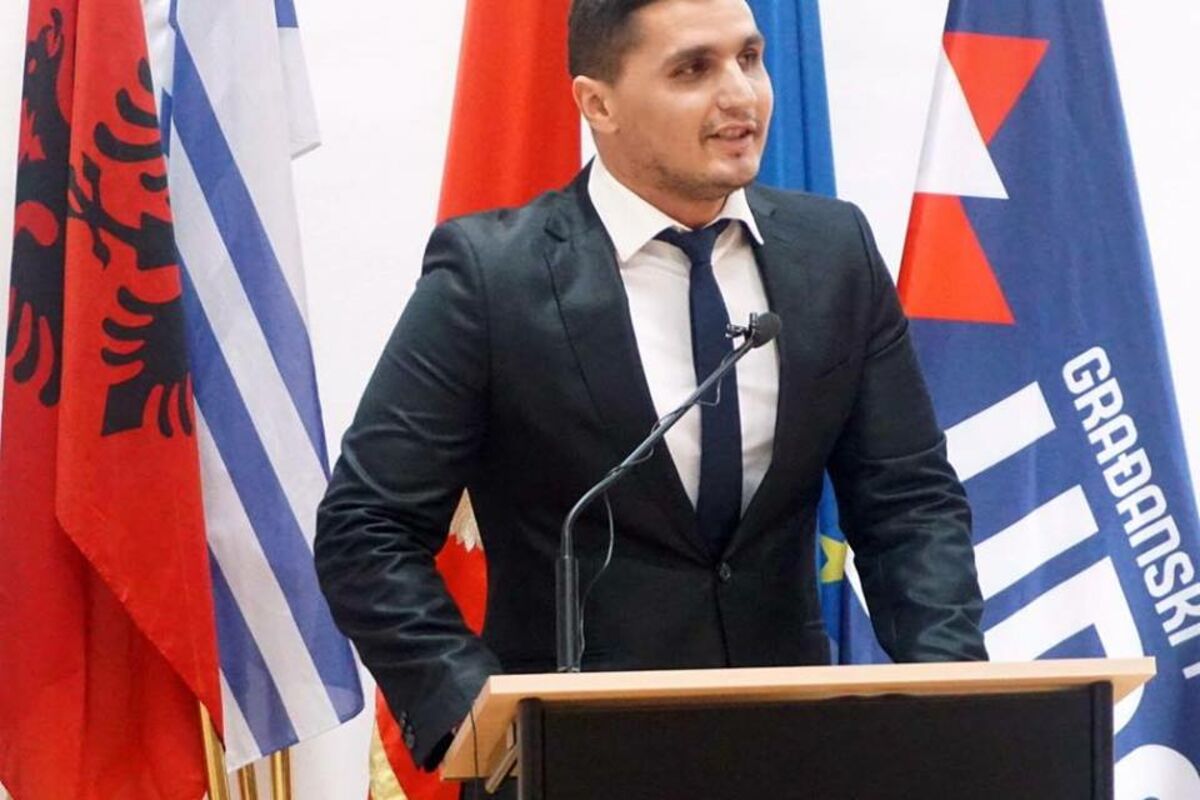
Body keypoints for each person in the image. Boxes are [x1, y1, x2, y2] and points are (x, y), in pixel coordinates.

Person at [315, 0, 987, 782]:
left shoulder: (834, 253)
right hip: (572, 759)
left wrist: (955, 703)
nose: (741, 94)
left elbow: (908, 503)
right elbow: (367, 527)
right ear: (597, 103)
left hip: (795, 751)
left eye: (749, 57)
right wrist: (474, 711)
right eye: (693, 69)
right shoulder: (494, 278)